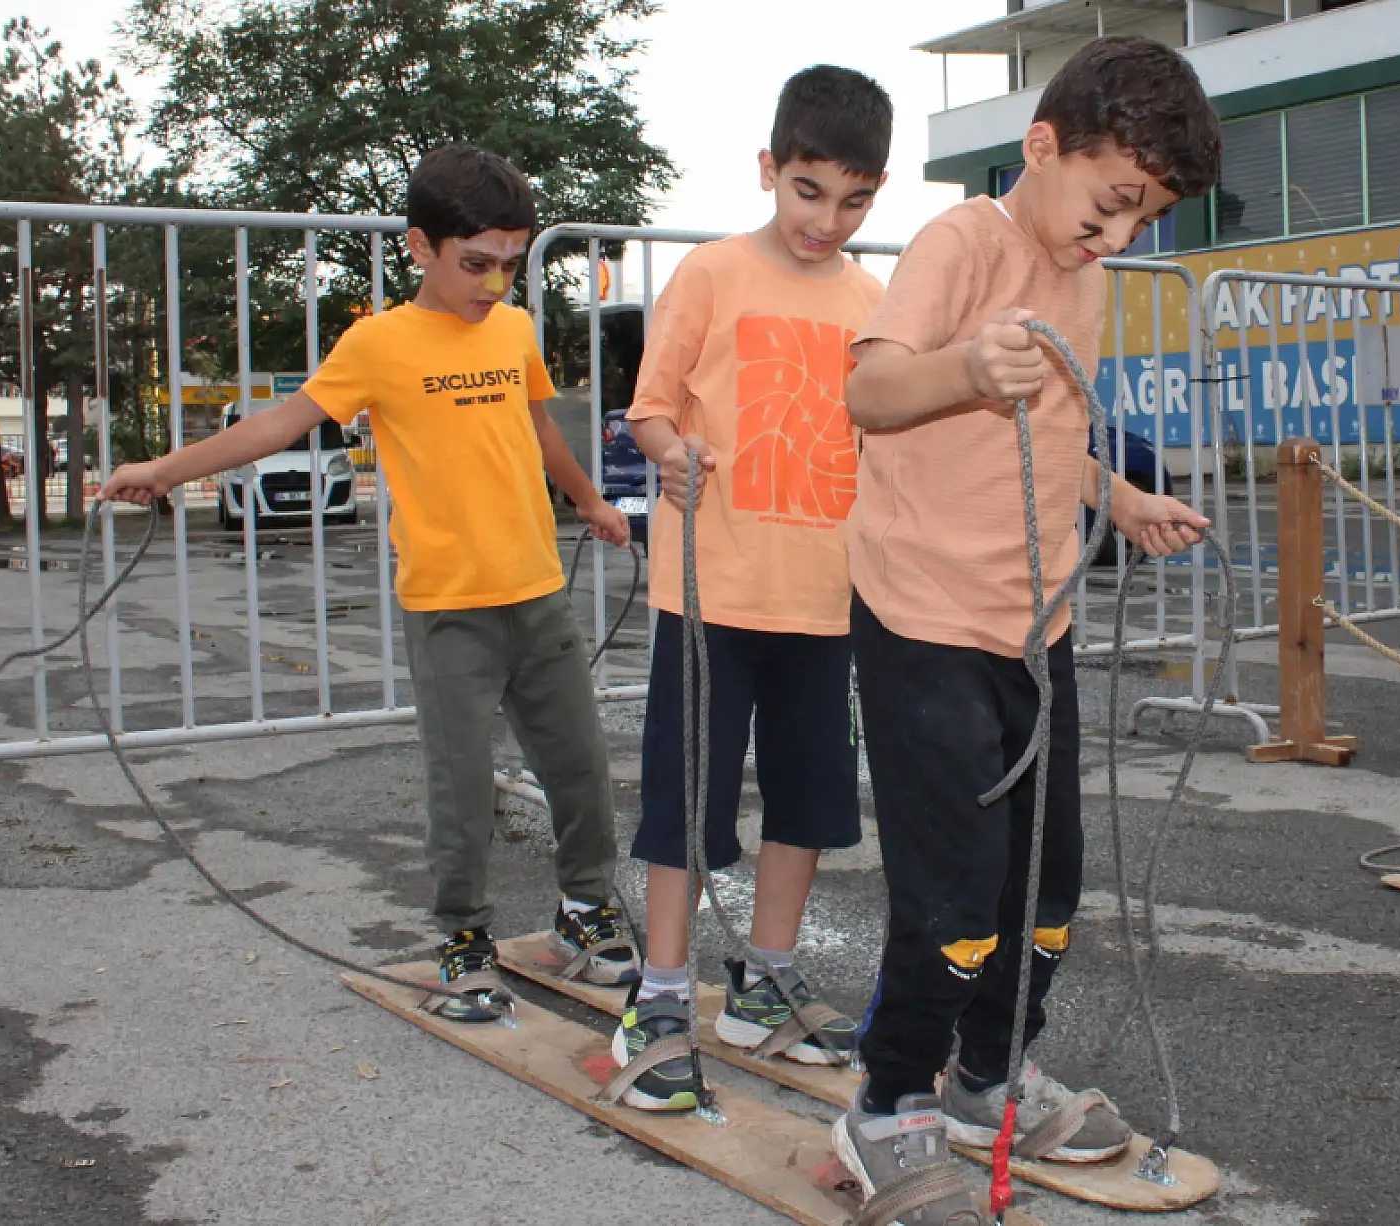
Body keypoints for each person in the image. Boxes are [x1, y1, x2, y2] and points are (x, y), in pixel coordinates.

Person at [98, 145, 640, 1011]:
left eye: (509, 264)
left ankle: (586, 912)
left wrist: (590, 501)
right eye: (475, 265)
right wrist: (166, 469)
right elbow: (280, 423)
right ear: (420, 248)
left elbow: (538, 428)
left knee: (579, 768)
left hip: (536, 590)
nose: (495, 284)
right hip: (448, 606)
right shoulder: (378, 342)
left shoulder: (513, 330)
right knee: (460, 785)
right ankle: (463, 935)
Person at [828, 37, 1223, 1220]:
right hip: (922, 616)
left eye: (1144, 217)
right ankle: (885, 1103)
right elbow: (869, 389)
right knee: (953, 888)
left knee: (1045, 885)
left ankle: (988, 1077)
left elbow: (1053, 433)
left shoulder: (1084, 274)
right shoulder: (963, 242)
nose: (1120, 235)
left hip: (1030, 623)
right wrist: (960, 367)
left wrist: (1120, 494)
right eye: (1113, 202)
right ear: (1041, 146)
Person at [607, 64, 893, 1111]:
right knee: (685, 800)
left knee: (810, 798)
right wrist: (668, 449)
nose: (828, 218)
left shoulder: (872, 300)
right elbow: (646, 409)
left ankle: (763, 979)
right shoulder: (713, 276)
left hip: (827, 600)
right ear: (769, 169)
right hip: (711, 593)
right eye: (809, 191)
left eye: (855, 199)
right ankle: (661, 989)